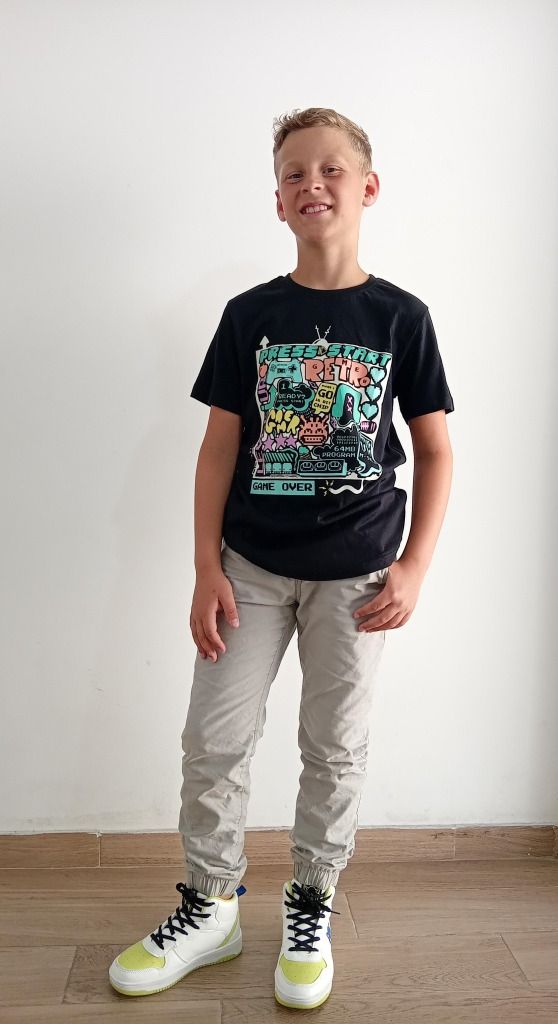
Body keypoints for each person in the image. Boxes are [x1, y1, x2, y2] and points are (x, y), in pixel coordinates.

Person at [109, 106, 454, 1011]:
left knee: (334, 747)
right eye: (295, 173)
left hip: (360, 576)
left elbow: (436, 451)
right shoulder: (250, 316)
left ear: (367, 188)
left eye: (332, 169)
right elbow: (218, 449)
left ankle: (311, 903)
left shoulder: (401, 317)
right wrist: (205, 567)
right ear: (277, 201)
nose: (313, 184)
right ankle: (212, 906)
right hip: (251, 569)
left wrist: (415, 567)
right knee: (213, 738)